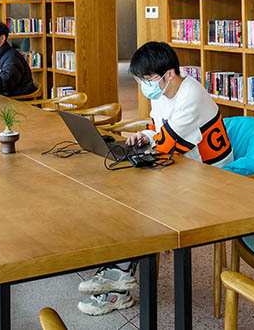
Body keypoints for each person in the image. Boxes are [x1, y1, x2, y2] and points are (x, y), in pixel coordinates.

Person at [76, 41, 234, 316]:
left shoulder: (191, 95)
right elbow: (157, 129)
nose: (143, 86)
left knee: (142, 203)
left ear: (169, 74)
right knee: (127, 196)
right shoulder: (161, 92)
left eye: (147, 79)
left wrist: (153, 141)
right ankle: (116, 277)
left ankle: (117, 279)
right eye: (139, 80)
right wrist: (143, 137)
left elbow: (168, 143)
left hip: (212, 178)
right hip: (183, 166)